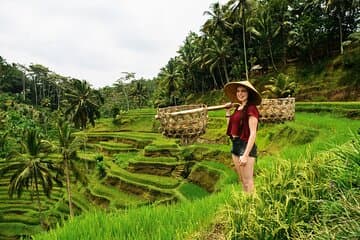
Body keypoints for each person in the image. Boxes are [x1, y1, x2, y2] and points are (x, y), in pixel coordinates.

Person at [223, 81, 262, 193]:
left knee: (248, 181)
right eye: (238, 91)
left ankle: (254, 207)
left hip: (245, 146)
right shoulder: (238, 108)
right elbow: (231, 128)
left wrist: (245, 155)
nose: (240, 93)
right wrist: (227, 112)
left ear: (248, 93)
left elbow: (253, 133)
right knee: (242, 181)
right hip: (235, 145)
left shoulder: (251, 108)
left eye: (243, 91)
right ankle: (246, 205)